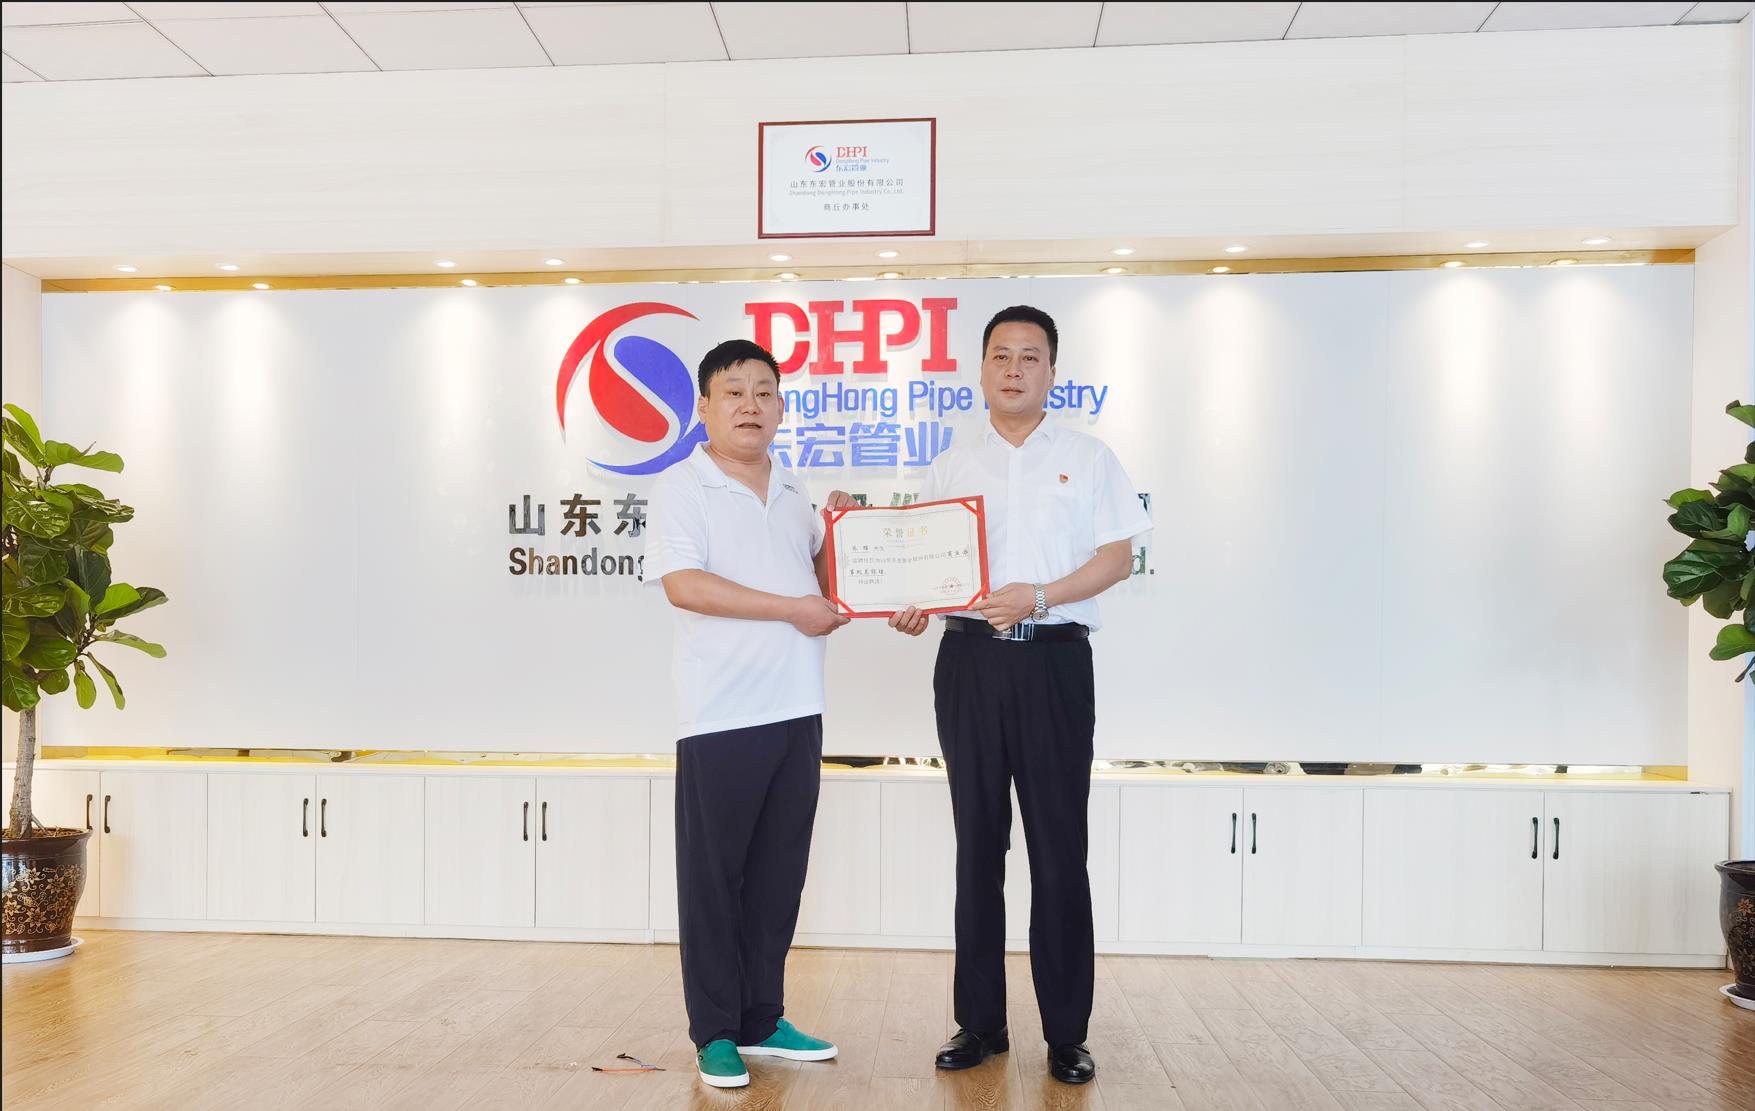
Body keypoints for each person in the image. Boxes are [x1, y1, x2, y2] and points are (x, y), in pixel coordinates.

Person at [850, 305, 1150, 1086]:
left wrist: (1038, 596)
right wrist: (912, 606)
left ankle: (1067, 1034)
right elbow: (923, 567)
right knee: (977, 845)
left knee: (1059, 850)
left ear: (1052, 371)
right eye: (1000, 355)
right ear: (980, 369)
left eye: (1029, 356)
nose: (1013, 368)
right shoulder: (952, 464)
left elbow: (1115, 558)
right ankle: (979, 1022)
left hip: (1054, 663)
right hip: (968, 663)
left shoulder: (1087, 458)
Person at [644, 338, 848, 1090]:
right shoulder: (682, 486)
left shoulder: (795, 490)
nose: (750, 406)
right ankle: (716, 1032)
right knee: (714, 880)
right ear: (704, 407)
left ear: (782, 407)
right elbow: (685, 585)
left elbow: (825, 585)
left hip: (798, 705)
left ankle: (763, 1018)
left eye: (764, 392)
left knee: (776, 876)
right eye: (733, 392)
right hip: (720, 712)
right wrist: (791, 608)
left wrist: (843, 537)